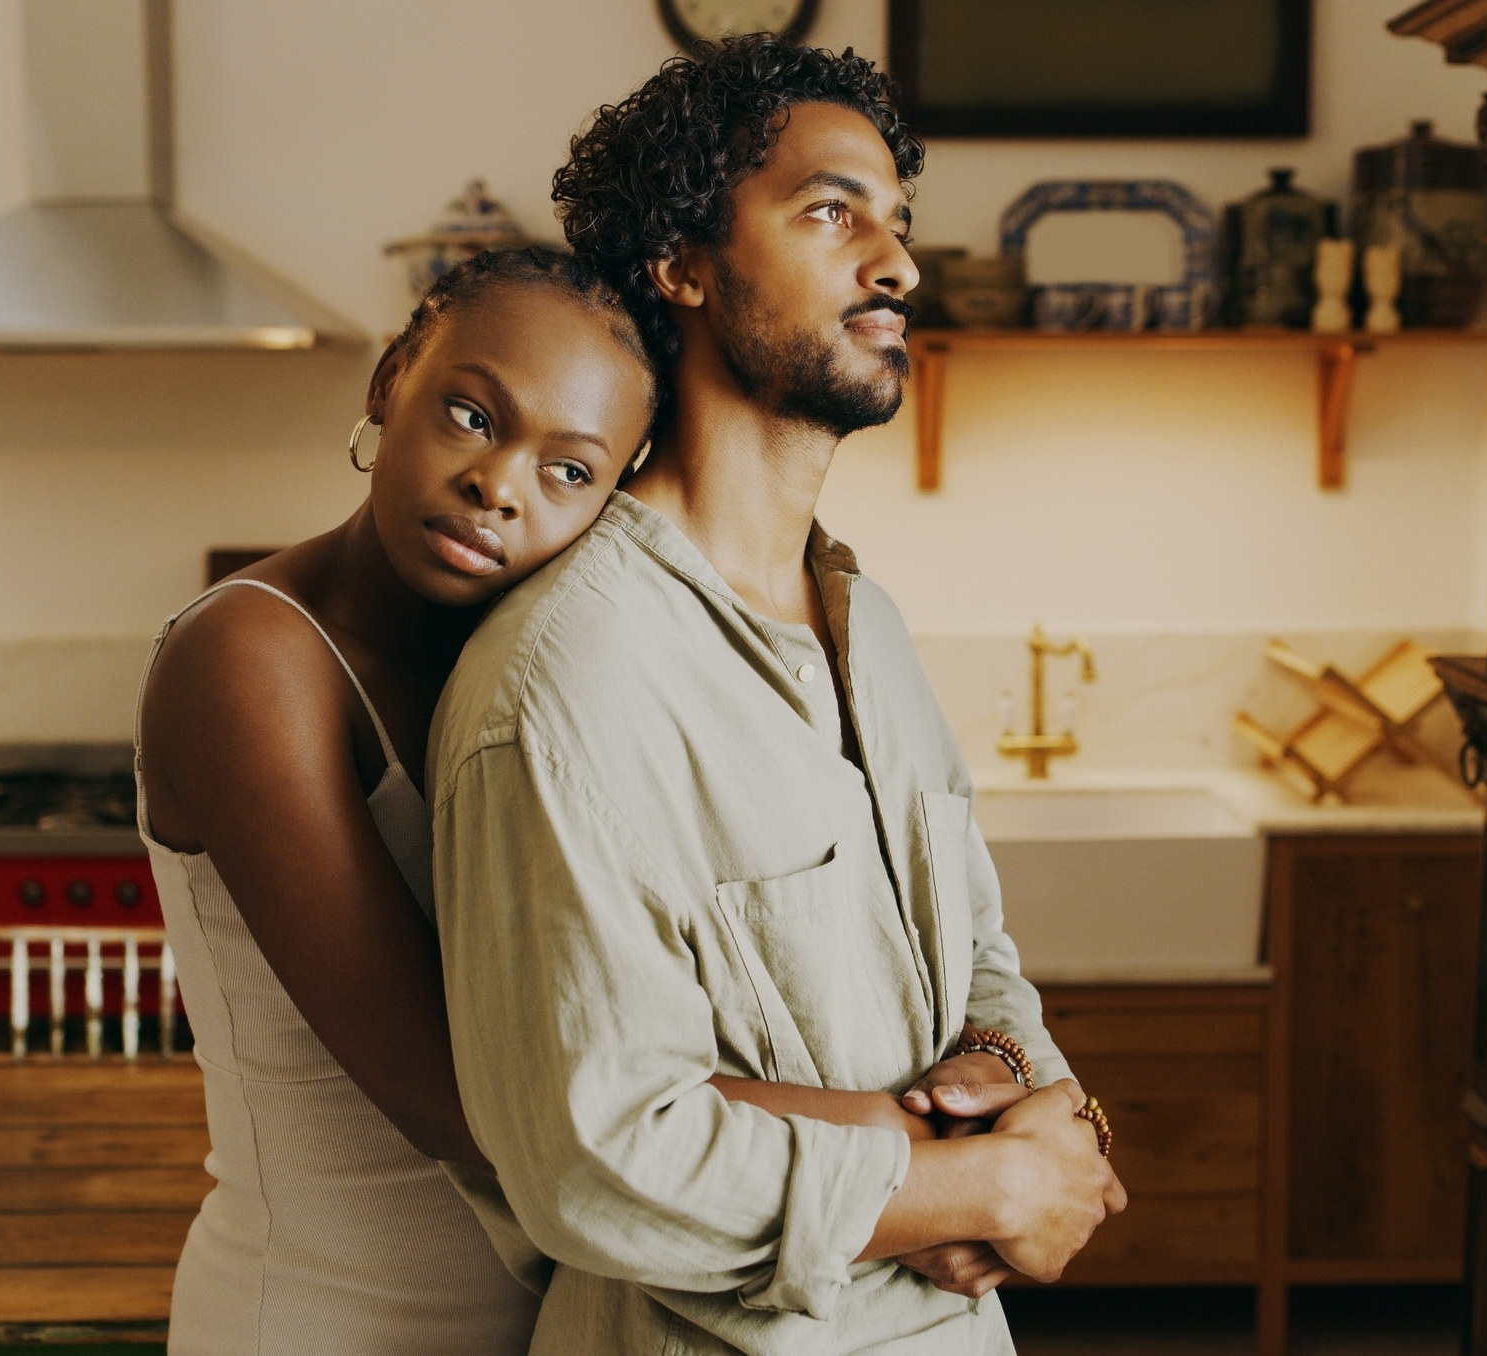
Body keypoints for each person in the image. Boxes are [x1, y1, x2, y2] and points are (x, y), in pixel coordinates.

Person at [134, 246, 1020, 1356]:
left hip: (575, 1307)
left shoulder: (544, 666)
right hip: (328, 1316)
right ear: (390, 379)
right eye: (469, 415)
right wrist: (940, 1164)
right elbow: (479, 1103)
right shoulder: (253, 658)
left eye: (569, 472)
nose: (498, 484)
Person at [426, 40, 1129, 1354]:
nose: (896, 264)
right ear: (680, 263)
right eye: (829, 212)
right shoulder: (564, 684)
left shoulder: (868, 626)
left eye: (895, 222)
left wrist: (1038, 1107)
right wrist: (965, 1185)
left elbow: (979, 956)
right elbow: (595, 1156)